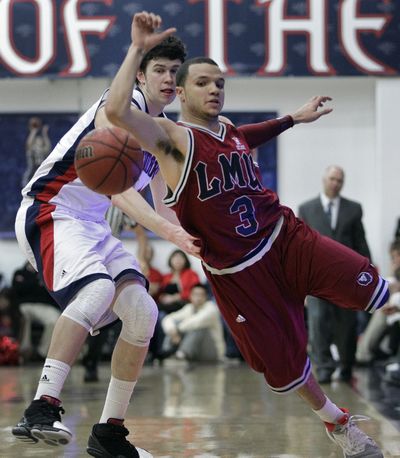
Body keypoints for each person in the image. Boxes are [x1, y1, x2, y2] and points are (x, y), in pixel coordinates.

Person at [105, 12, 390, 457]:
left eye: (220, 82)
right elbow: (117, 111)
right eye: (203, 82)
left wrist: (293, 119)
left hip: (285, 237)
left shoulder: (230, 131)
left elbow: (248, 136)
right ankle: (339, 425)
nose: (215, 89)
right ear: (180, 91)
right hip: (240, 275)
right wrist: (137, 49)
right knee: (287, 368)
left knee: (372, 285)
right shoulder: (171, 138)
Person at [12, 34, 200, 458]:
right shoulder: (122, 106)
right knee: (95, 290)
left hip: (90, 224)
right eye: (160, 70)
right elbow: (117, 191)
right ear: (140, 75)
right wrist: (164, 232)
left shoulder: (163, 133)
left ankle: (109, 435)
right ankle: (40, 408)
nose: (169, 78)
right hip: (51, 209)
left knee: (142, 311)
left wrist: (199, 245)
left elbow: (165, 206)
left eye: (175, 71)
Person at [298, 165, 372, 384]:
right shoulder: (307, 209)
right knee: (318, 323)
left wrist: (368, 277)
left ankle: (346, 365)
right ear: (324, 179)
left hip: (347, 280)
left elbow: (361, 243)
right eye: (332, 179)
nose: (335, 183)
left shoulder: (354, 209)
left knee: (347, 324)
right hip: (316, 279)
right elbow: (300, 247)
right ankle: (324, 367)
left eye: (339, 180)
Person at [161, 283, 225, 362]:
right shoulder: (189, 308)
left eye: (201, 295)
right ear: (190, 296)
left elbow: (196, 322)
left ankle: (181, 355)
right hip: (196, 350)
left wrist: (177, 330)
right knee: (173, 325)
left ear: (206, 297)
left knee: (198, 328)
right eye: (195, 294)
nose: (198, 298)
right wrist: (173, 330)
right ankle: (167, 353)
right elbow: (168, 318)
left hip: (212, 352)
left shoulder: (211, 308)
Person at [11, 261, 60, 362]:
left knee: (55, 319)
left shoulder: (47, 273)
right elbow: (16, 290)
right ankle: (24, 351)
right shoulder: (19, 272)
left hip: (45, 306)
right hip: (25, 305)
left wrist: (34, 283)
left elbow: (52, 292)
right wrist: (36, 282)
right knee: (23, 315)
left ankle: (42, 353)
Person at [158, 249, 200, 314]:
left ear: (185, 261)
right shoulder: (166, 276)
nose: (178, 260)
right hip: (166, 305)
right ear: (170, 260)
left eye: (181, 258)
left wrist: (174, 298)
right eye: (175, 257)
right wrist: (162, 297)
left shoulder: (191, 274)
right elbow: (160, 292)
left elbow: (196, 292)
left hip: (184, 305)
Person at [22, 117, 51, 187]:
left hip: (41, 172)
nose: (39, 140)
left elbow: (48, 146)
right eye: (37, 140)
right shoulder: (32, 149)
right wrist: (33, 131)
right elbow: (29, 144)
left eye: (40, 140)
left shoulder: (44, 149)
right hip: (31, 173)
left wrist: (44, 134)